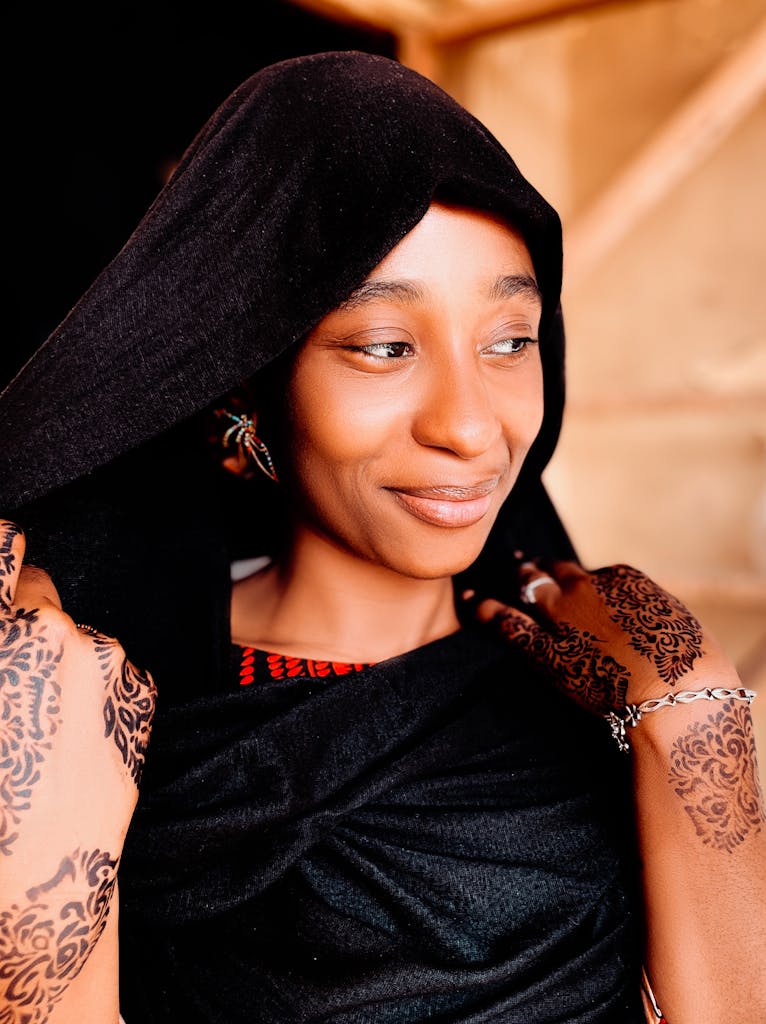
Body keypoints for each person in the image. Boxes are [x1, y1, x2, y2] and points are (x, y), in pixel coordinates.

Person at [0, 51, 764, 1024]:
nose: (472, 424)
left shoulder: (595, 700)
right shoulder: (84, 724)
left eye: (508, 341)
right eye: (384, 347)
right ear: (246, 394)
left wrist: (690, 713)